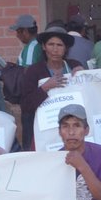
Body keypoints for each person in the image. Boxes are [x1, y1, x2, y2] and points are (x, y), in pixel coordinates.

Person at [21, 22, 85, 150]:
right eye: (51, 44)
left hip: (72, 130)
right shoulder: (35, 71)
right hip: (45, 130)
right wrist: (45, 87)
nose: (55, 49)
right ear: (44, 47)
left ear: (66, 48)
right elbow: (26, 105)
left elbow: (87, 95)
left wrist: (84, 75)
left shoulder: (74, 65)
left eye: (59, 45)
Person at [3, 15, 41, 148]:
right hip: (35, 98)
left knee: (29, 139)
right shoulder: (36, 45)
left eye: (18, 32)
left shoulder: (32, 47)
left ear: (25, 31)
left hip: (30, 100)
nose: (17, 36)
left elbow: (27, 73)